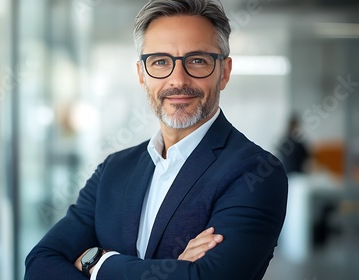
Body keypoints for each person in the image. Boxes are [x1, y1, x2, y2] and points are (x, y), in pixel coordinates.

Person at [25, 0, 288, 279]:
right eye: (160, 61)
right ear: (141, 74)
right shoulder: (113, 170)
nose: (178, 79)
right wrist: (177, 269)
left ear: (224, 72)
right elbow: (41, 262)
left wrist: (98, 264)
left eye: (197, 60)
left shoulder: (256, 171)